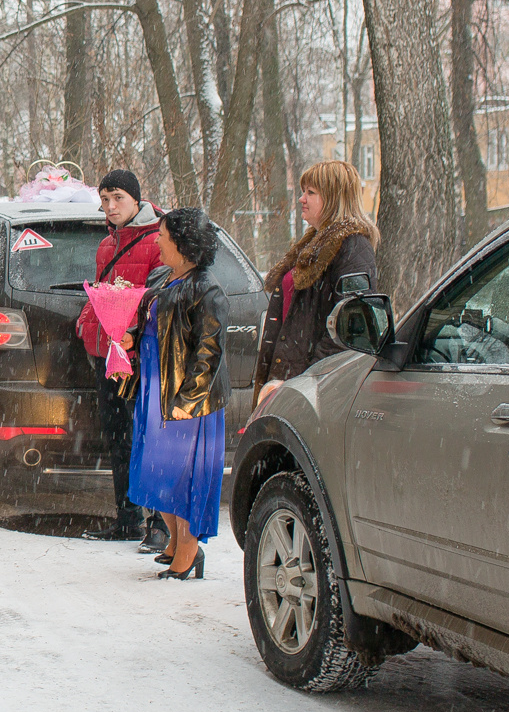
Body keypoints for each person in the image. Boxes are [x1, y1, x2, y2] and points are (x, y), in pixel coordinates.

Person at [117, 207, 229, 581]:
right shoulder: (165, 277)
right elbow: (152, 322)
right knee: (156, 470)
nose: (157, 241)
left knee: (184, 476)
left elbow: (208, 354)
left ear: (183, 243)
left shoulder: (207, 290)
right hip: (156, 388)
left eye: (162, 236)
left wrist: (188, 404)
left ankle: (188, 549)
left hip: (185, 400)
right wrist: (133, 335)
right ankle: (175, 541)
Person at [75, 170, 162, 543]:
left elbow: (159, 298)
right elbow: (102, 290)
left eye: (118, 199)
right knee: (118, 436)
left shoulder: (159, 240)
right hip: (107, 355)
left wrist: (132, 332)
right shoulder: (106, 245)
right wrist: (86, 322)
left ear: (137, 201)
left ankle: (159, 525)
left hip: (141, 355)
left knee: (148, 436)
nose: (110, 207)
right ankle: (127, 519)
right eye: (105, 200)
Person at [254, 160, 380, 403]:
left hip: (312, 387)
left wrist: (307, 378)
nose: (302, 199)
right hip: (292, 380)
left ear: (334, 198)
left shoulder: (353, 247)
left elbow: (350, 329)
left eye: (311, 193)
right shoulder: (314, 244)